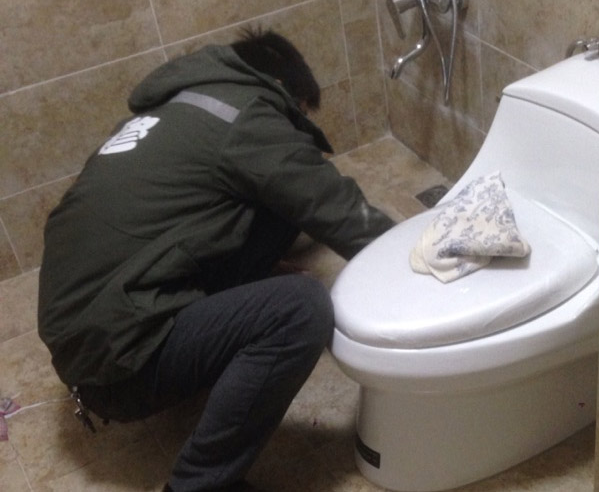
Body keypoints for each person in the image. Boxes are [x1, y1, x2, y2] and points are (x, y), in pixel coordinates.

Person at [37, 27, 395, 492]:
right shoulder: (246, 115)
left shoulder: (177, 109)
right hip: (116, 362)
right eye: (300, 114)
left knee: (276, 208)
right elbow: (340, 211)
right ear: (281, 87)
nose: (295, 126)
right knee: (299, 308)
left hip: (87, 329)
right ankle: (199, 484)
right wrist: (419, 259)